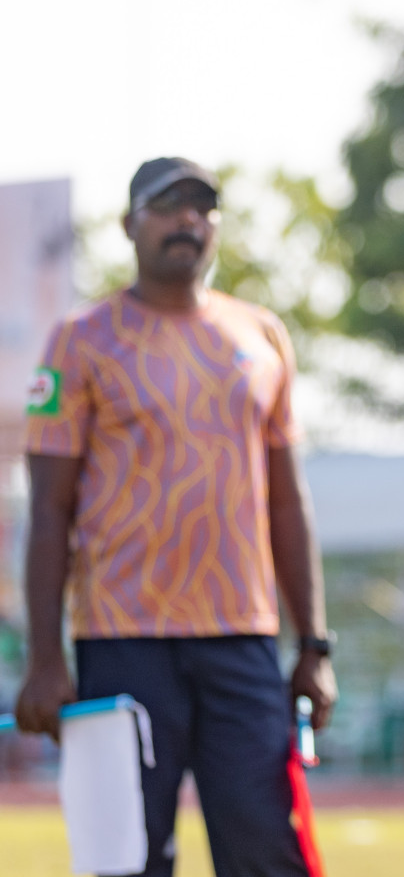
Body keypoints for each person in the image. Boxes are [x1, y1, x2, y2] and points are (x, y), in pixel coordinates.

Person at [15, 157, 337, 877]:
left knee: (264, 853)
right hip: (121, 642)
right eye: (167, 207)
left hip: (242, 641)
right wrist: (44, 656)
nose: (187, 221)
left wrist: (314, 644)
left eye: (202, 208)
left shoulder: (262, 335)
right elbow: (50, 512)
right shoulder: (80, 340)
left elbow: (288, 502)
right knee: (125, 860)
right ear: (131, 224)